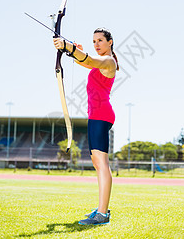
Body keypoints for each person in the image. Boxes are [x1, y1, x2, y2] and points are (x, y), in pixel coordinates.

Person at [53, 27, 119, 225]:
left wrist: (70, 48)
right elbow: (86, 61)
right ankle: (101, 209)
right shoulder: (100, 63)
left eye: (100, 40)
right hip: (96, 116)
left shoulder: (108, 61)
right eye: (94, 42)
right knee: (98, 164)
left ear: (110, 42)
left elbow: (89, 60)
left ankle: (103, 214)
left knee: (102, 164)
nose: (97, 44)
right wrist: (72, 51)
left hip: (102, 116)